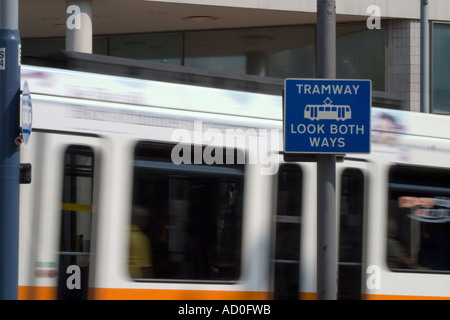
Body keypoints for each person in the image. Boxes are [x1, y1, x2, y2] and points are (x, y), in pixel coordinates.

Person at [129, 205, 154, 279]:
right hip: (135, 278)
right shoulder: (140, 238)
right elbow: (145, 267)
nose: (146, 221)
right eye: (144, 218)